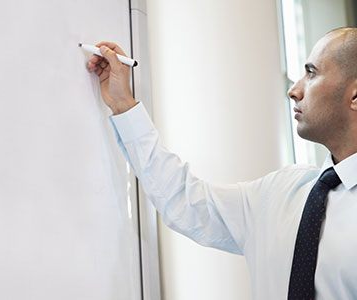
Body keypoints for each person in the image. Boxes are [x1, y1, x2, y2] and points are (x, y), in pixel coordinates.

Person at [86, 27, 357, 300]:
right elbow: (184, 199)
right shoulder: (281, 192)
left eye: (311, 73)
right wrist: (123, 104)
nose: (294, 90)